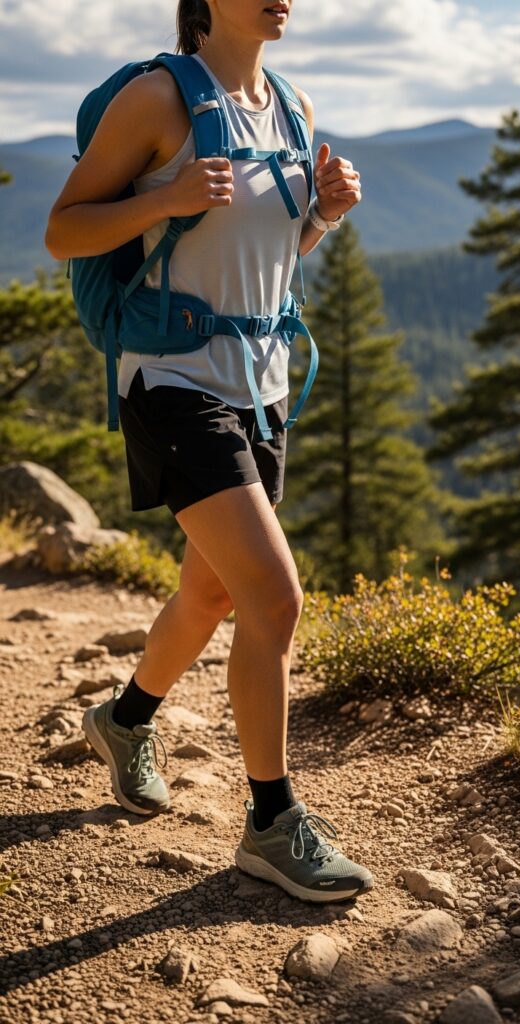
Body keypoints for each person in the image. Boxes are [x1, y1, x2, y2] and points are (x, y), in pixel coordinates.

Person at [45, 0, 373, 902]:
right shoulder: (158, 100)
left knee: (213, 589)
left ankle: (123, 718)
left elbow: (271, 257)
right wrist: (169, 197)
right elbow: (64, 227)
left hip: (261, 388)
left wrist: (325, 216)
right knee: (273, 594)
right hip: (172, 381)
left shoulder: (292, 105)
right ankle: (271, 823)